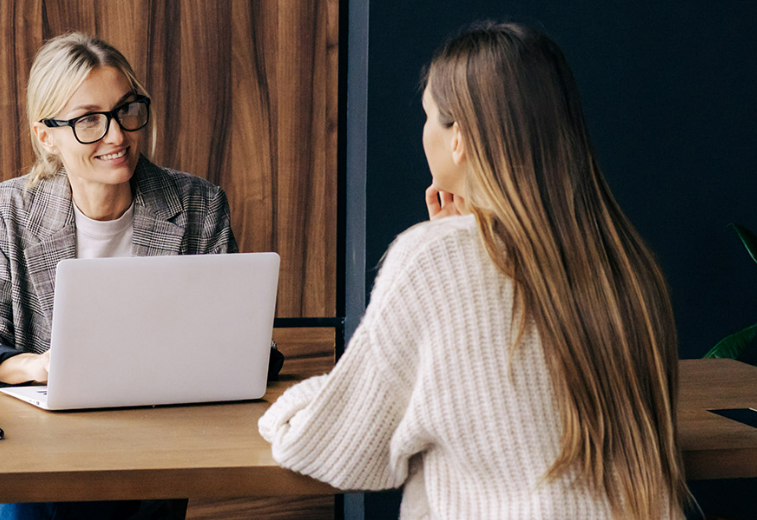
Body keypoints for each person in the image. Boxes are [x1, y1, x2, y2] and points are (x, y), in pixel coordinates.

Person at [259, 22, 691, 520]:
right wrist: (463, 236)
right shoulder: (629, 265)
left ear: (459, 137)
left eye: (428, 117)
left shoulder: (431, 260)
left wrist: (297, 404)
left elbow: (339, 447)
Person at [0, 32, 235, 520]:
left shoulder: (198, 204)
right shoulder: (8, 209)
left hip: (148, 453)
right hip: (27, 452)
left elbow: (236, 341)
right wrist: (39, 367)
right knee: (29, 492)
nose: (117, 135)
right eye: (90, 120)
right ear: (47, 135)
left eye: (126, 109)